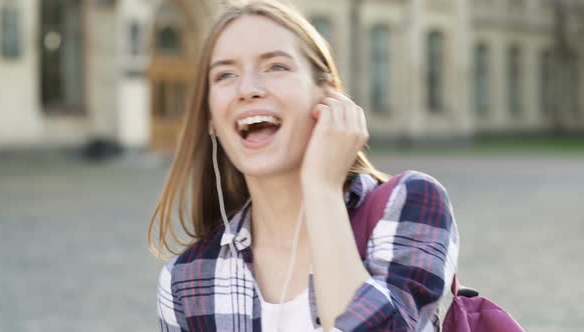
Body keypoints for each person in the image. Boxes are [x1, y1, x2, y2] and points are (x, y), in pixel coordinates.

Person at [148, 1, 459, 331]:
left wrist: (322, 189)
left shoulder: (410, 204)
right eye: (225, 75)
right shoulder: (185, 281)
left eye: (276, 67)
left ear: (327, 96)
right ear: (210, 118)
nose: (248, 89)